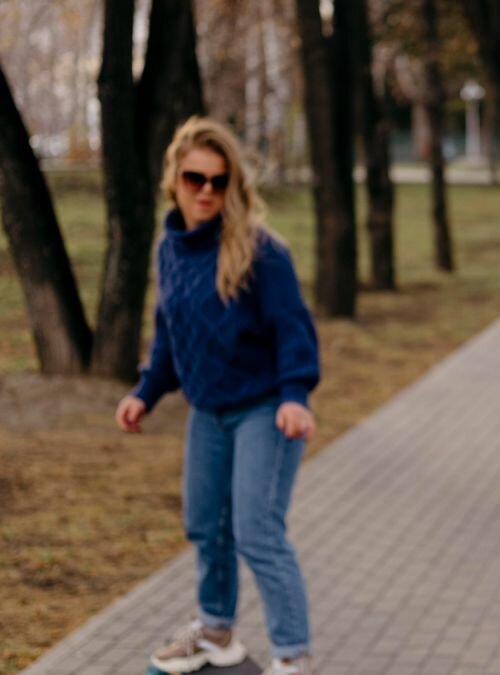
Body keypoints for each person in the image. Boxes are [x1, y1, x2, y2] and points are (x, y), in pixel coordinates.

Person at [114, 117, 320, 675]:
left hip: (265, 408)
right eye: (194, 178)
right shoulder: (170, 248)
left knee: (257, 530)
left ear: (234, 187)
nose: (206, 191)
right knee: (206, 524)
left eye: (219, 181)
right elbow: (168, 333)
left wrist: (295, 394)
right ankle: (215, 630)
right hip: (208, 410)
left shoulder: (260, 251)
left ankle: (294, 657)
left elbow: (292, 329)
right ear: (173, 180)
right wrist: (146, 392)